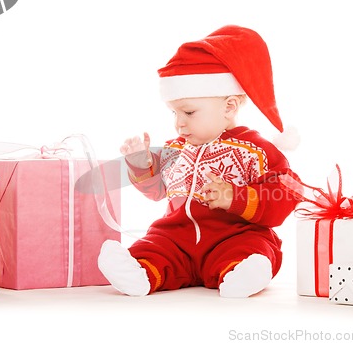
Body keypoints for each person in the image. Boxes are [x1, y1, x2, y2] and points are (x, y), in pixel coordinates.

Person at [98, 25, 300, 298]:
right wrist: (140, 165)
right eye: (174, 113)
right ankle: (139, 272)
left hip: (232, 237)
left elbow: (287, 194)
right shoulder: (175, 149)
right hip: (176, 237)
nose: (179, 123)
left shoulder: (258, 150)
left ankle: (243, 273)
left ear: (229, 107)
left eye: (189, 112)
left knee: (253, 246)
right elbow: (157, 191)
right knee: (155, 245)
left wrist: (235, 197)